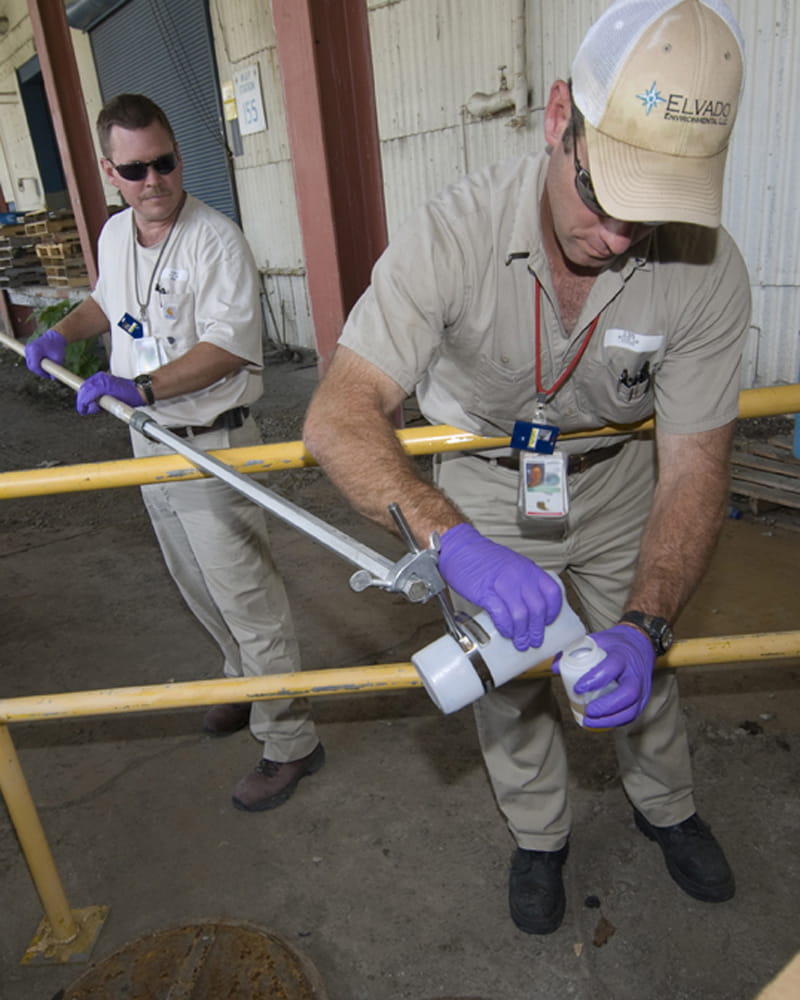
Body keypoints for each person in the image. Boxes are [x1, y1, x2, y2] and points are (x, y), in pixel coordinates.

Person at [303, 0, 749, 933]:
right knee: (507, 681)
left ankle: (666, 805)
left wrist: (649, 621)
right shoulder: (453, 235)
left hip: (624, 475)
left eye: (652, 212)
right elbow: (338, 417)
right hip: (483, 486)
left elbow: (696, 466)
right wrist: (452, 544)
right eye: (603, 196)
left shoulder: (708, 268)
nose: (621, 237)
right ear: (559, 121)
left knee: (642, 666)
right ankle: (539, 835)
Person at [25, 94, 323, 812]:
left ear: (177, 156)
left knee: (248, 596)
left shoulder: (216, 241)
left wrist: (141, 386)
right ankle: (242, 685)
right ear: (110, 170)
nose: (154, 180)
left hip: (213, 443)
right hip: (148, 442)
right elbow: (108, 302)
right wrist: (64, 332)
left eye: (165, 162)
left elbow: (226, 350)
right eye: (136, 169)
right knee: (194, 581)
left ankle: (291, 738)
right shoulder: (117, 232)